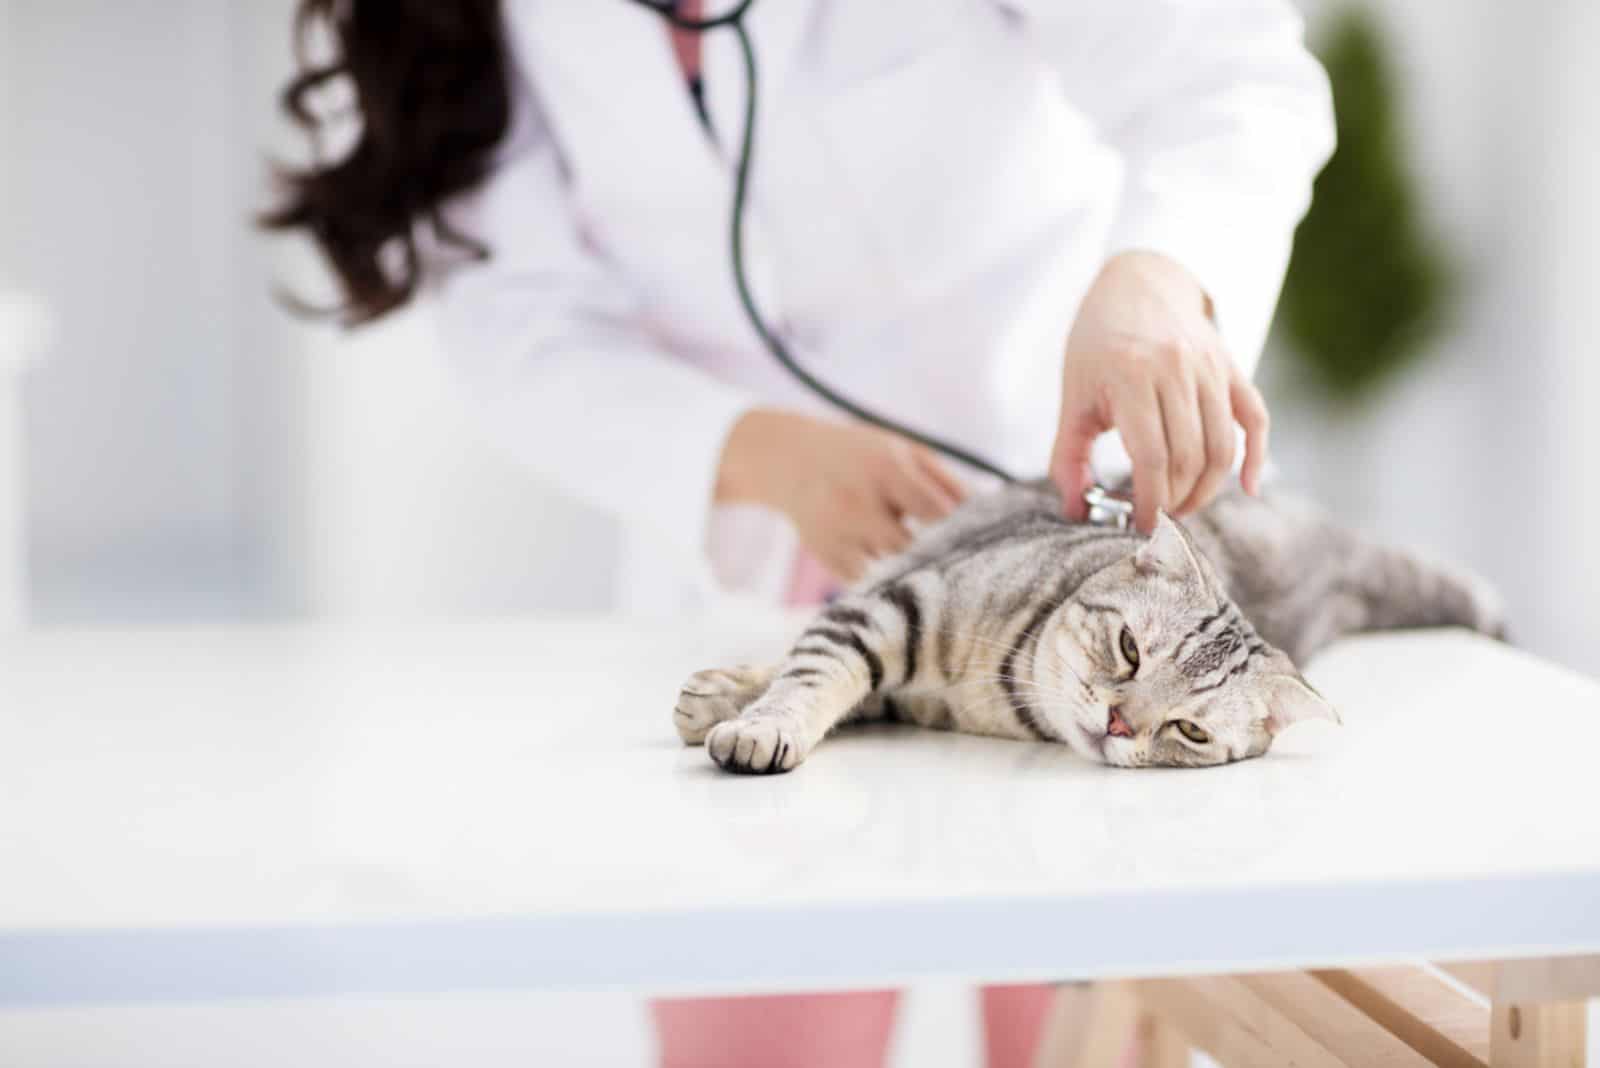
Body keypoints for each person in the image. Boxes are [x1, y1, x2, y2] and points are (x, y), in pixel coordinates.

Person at [266, 1, 1333, 1064]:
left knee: (1075, 1035)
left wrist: (1158, 281)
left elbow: (1227, 76)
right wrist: (748, 451)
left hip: (1074, 579)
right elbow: (515, 316)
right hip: (754, 598)